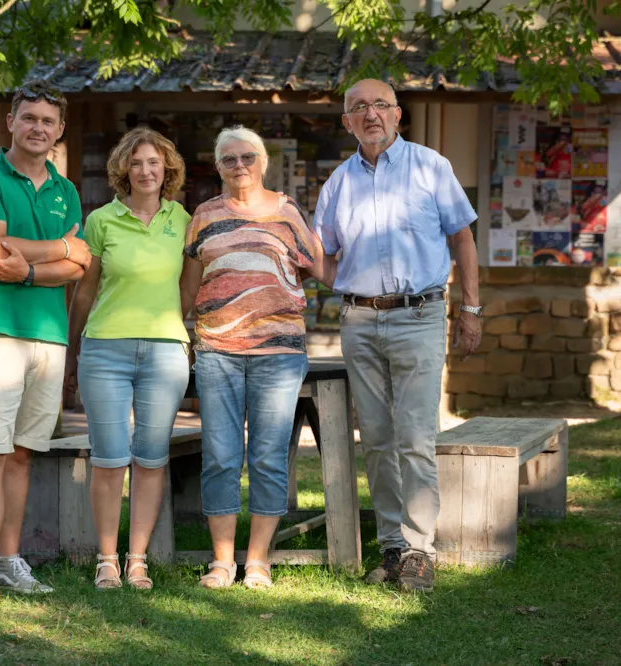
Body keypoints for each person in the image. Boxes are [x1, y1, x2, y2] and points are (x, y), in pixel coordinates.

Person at [312, 79, 482, 593]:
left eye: (380, 105)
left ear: (398, 115)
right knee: (379, 440)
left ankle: (420, 549)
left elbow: (463, 237)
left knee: (414, 436)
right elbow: (322, 257)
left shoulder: (431, 166)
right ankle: (392, 545)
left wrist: (470, 308)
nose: (370, 114)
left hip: (419, 315)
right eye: (358, 108)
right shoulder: (338, 183)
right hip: (359, 321)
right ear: (346, 122)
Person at [181, 126, 335, 590]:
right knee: (221, 457)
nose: (240, 165)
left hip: (278, 353)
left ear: (263, 162)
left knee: (268, 456)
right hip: (217, 352)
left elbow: (318, 269)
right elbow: (189, 286)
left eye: (248, 157)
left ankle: (259, 561)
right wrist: (176, 330)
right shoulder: (204, 215)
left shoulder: (287, 212)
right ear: (218, 167)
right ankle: (223, 562)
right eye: (229, 159)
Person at [0, 80, 92, 606]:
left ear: (60, 132)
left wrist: (33, 267)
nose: (39, 128)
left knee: (21, 456)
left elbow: (78, 267)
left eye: (49, 121)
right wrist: (61, 248)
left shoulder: (66, 190)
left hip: (48, 339)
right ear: (10, 122)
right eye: (29, 118)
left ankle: (10, 560)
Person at [66, 127, 191, 590]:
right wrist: (71, 348)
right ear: (124, 170)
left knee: (151, 458)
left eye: (154, 163)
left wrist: (171, 327)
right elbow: (86, 290)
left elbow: (188, 288)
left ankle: (136, 560)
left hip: (164, 353)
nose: (145, 171)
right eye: (136, 163)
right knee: (109, 458)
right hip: (105, 351)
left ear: (167, 170)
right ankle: (106, 560)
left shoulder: (184, 220)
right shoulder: (101, 220)